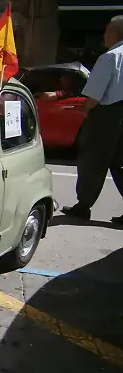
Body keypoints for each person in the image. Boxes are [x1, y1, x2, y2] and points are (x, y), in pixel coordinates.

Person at [61, 15, 123, 225]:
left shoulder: (110, 57)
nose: (104, 36)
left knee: (92, 161)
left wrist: (86, 111)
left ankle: (83, 206)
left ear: (115, 33)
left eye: (106, 31)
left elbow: (94, 97)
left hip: (109, 115)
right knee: (120, 163)